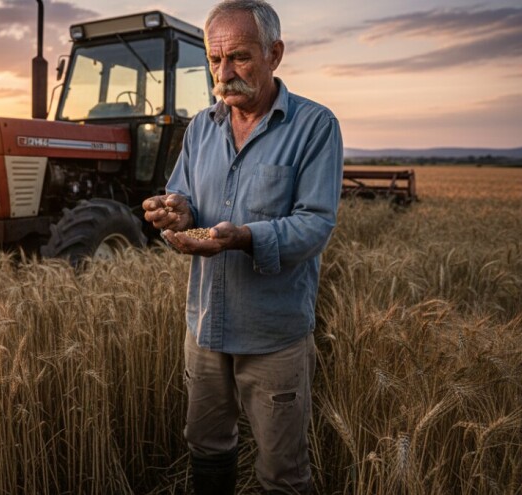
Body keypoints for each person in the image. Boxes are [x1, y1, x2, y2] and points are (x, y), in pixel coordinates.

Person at [142, 0, 343, 493]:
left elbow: (315, 224)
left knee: (283, 472)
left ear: (274, 53)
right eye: (215, 60)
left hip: (273, 335)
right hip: (205, 327)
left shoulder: (315, 126)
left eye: (239, 57)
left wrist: (246, 238)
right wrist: (176, 212)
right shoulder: (201, 128)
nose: (224, 72)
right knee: (206, 447)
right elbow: (184, 196)